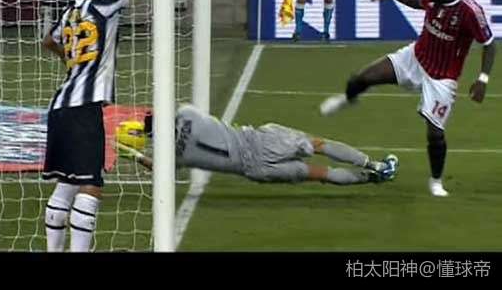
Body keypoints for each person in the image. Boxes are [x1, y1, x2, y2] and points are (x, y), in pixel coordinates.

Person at [320, 0, 496, 197]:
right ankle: (348, 99)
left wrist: (482, 79)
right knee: (361, 78)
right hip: (414, 58)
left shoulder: (469, 11)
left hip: (442, 78)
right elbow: (417, 2)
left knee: (435, 134)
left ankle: (436, 182)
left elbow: (489, 44)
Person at [41, 0, 164, 252]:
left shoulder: (71, 11)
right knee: (91, 186)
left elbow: (49, 41)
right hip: (84, 109)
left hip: (60, 106)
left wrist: (71, 60)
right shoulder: (106, 4)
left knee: (66, 185)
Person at [117, 104, 400, 186]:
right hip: (260, 142)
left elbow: (159, 168)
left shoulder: (174, 157)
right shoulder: (186, 113)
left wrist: (133, 154)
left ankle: (370, 179)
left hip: (254, 170)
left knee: (320, 174)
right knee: (318, 145)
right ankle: (374, 165)